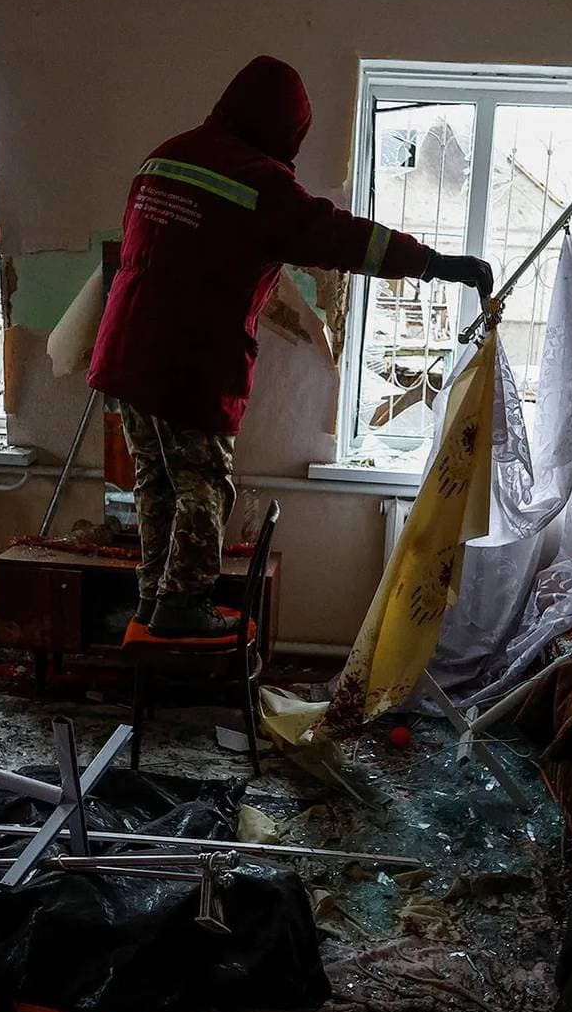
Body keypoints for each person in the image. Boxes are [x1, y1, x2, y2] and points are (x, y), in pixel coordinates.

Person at [89, 56, 494, 638]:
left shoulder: (166, 155)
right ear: (282, 126)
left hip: (123, 353)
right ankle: (183, 605)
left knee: (156, 482)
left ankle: (154, 599)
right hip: (185, 366)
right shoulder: (258, 182)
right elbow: (341, 237)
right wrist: (434, 264)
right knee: (203, 484)